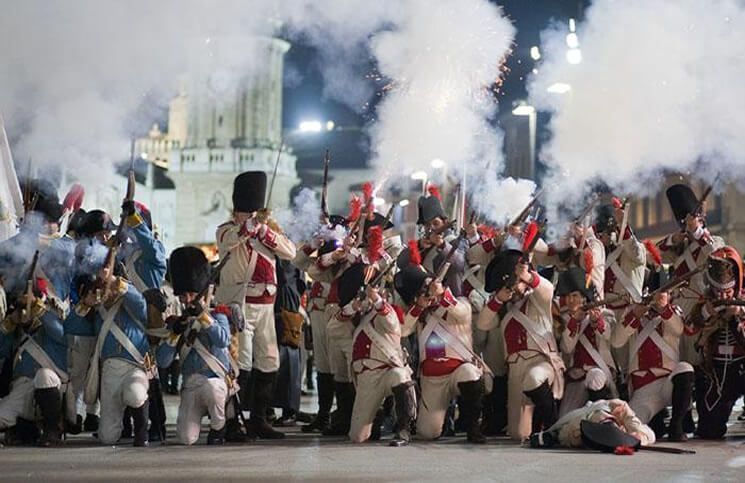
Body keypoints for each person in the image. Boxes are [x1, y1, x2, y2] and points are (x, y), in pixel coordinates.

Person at [215, 171, 296, 439]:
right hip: (241, 304)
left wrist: (263, 231)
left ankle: (258, 419)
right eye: (243, 212)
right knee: (241, 362)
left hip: (266, 306)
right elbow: (230, 240)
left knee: (269, 360)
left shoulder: (266, 233)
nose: (246, 216)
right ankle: (233, 420)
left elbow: (290, 252)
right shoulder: (226, 230)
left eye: (250, 212)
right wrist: (250, 227)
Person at [0, 180, 75, 446]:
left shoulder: (64, 247)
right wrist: (11, 323)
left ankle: (54, 429)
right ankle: (26, 426)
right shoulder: (20, 247)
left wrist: (34, 237)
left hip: (55, 366)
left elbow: (68, 250)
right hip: (25, 366)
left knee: (45, 378)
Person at [66, 239, 151, 446]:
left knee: (135, 393)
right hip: (109, 370)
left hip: (135, 366)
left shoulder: (131, 302)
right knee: (107, 437)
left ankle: (142, 429)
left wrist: (114, 281)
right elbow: (71, 327)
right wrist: (85, 304)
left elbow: (141, 304)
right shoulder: (98, 311)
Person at [396, 255, 486, 444]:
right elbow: (404, 330)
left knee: (470, 373)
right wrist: (419, 306)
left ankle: (473, 427)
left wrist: (442, 294)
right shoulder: (419, 311)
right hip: (432, 376)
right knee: (427, 433)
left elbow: (461, 312)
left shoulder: (458, 302)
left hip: (458, 369)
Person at [477, 249, 564, 442]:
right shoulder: (504, 311)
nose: (515, 289)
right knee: (518, 434)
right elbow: (482, 323)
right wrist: (499, 299)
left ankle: (552, 426)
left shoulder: (537, 300)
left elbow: (547, 289)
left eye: (517, 284)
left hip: (541, 361)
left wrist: (527, 276)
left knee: (533, 379)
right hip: (515, 369)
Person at [156, 246, 232, 445]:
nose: (187, 300)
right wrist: (174, 334)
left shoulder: (218, 315)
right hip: (190, 384)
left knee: (213, 389)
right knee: (186, 438)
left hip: (214, 380)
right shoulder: (176, 321)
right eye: (183, 296)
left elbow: (222, 340)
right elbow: (163, 362)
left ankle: (219, 427)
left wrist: (203, 317)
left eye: (191, 294)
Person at [337, 263, 417, 446]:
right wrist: (352, 308)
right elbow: (333, 328)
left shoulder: (388, 311)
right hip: (366, 378)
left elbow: (393, 325)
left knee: (400, 375)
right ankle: (376, 418)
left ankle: (403, 430)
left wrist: (378, 301)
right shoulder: (357, 317)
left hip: (387, 371)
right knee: (357, 436)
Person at [611, 267, 694, 442]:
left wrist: (664, 308)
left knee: (685, 368)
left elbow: (679, 329)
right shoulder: (634, 312)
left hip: (669, 382)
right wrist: (636, 314)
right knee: (630, 429)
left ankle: (676, 427)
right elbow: (617, 341)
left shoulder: (673, 311)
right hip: (643, 387)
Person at [657, 183, 724, 365]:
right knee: (681, 357)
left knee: (698, 357)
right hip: (679, 308)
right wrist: (674, 238)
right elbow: (655, 255)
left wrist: (696, 231)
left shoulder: (713, 240)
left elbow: (716, 252)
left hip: (700, 307)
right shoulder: (679, 248)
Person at [686, 246, 745, 439]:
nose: (722, 296)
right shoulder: (705, 303)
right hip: (717, 370)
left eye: (726, 291)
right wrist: (707, 313)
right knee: (710, 429)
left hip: (741, 367)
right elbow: (689, 328)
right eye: (718, 291)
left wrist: (736, 318)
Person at [557, 267, 616, 416]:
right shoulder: (563, 320)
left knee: (595, 377)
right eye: (568, 296)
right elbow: (567, 348)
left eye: (575, 295)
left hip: (600, 372)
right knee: (565, 417)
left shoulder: (605, 314)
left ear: (584, 297)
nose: (570, 300)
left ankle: (603, 415)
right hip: (576, 376)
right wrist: (575, 320)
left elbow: (608, 336)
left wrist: (596, 321)